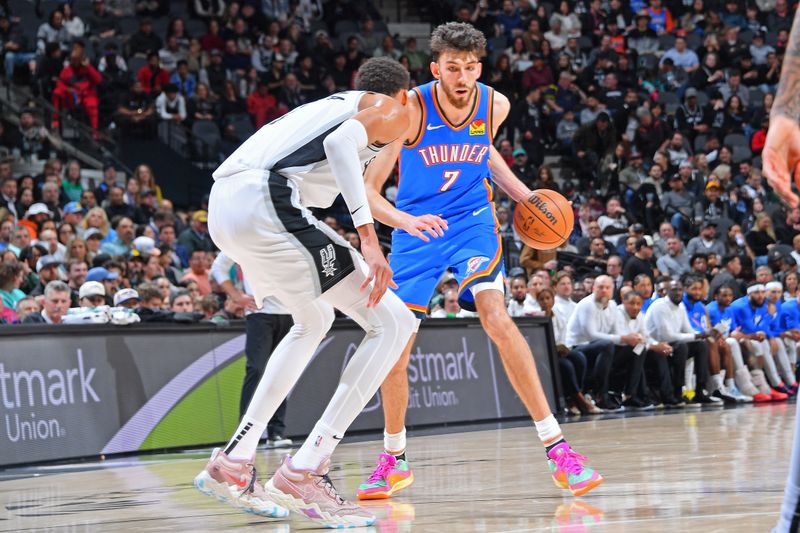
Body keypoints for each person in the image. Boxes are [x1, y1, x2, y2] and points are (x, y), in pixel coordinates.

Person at [359, 22, 603, 501]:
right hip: (417, 230)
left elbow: (482, 152)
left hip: (472, 220)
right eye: (453, 67)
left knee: (496, 316)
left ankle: (559, 451)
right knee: (395, 344)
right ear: (436, 68)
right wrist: (403, 223)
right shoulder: (408, 110)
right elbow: (368, 190)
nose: (463, 75)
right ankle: (394, 458)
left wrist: (524, 196)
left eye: (471, 67)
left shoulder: (496, 104)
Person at [194, 57, 421, 528]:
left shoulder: (329, 106)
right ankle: (306, 468)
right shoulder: (391, 107)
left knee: (312, 321)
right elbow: (341, 146)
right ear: (403, 94)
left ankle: (234, 462)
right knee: (395, 322)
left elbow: (334, 160)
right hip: (267, 201)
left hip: (228, 211)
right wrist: (369, 238)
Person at [211, 251, 295, 448]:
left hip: (290, 312)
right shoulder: (243, 237)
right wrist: (236, 296)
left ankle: (276, 433)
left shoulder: (286, 233)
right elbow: (218, 267)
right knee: (256, 369)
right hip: (259, 314)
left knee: (281, 373)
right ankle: (245, 432)